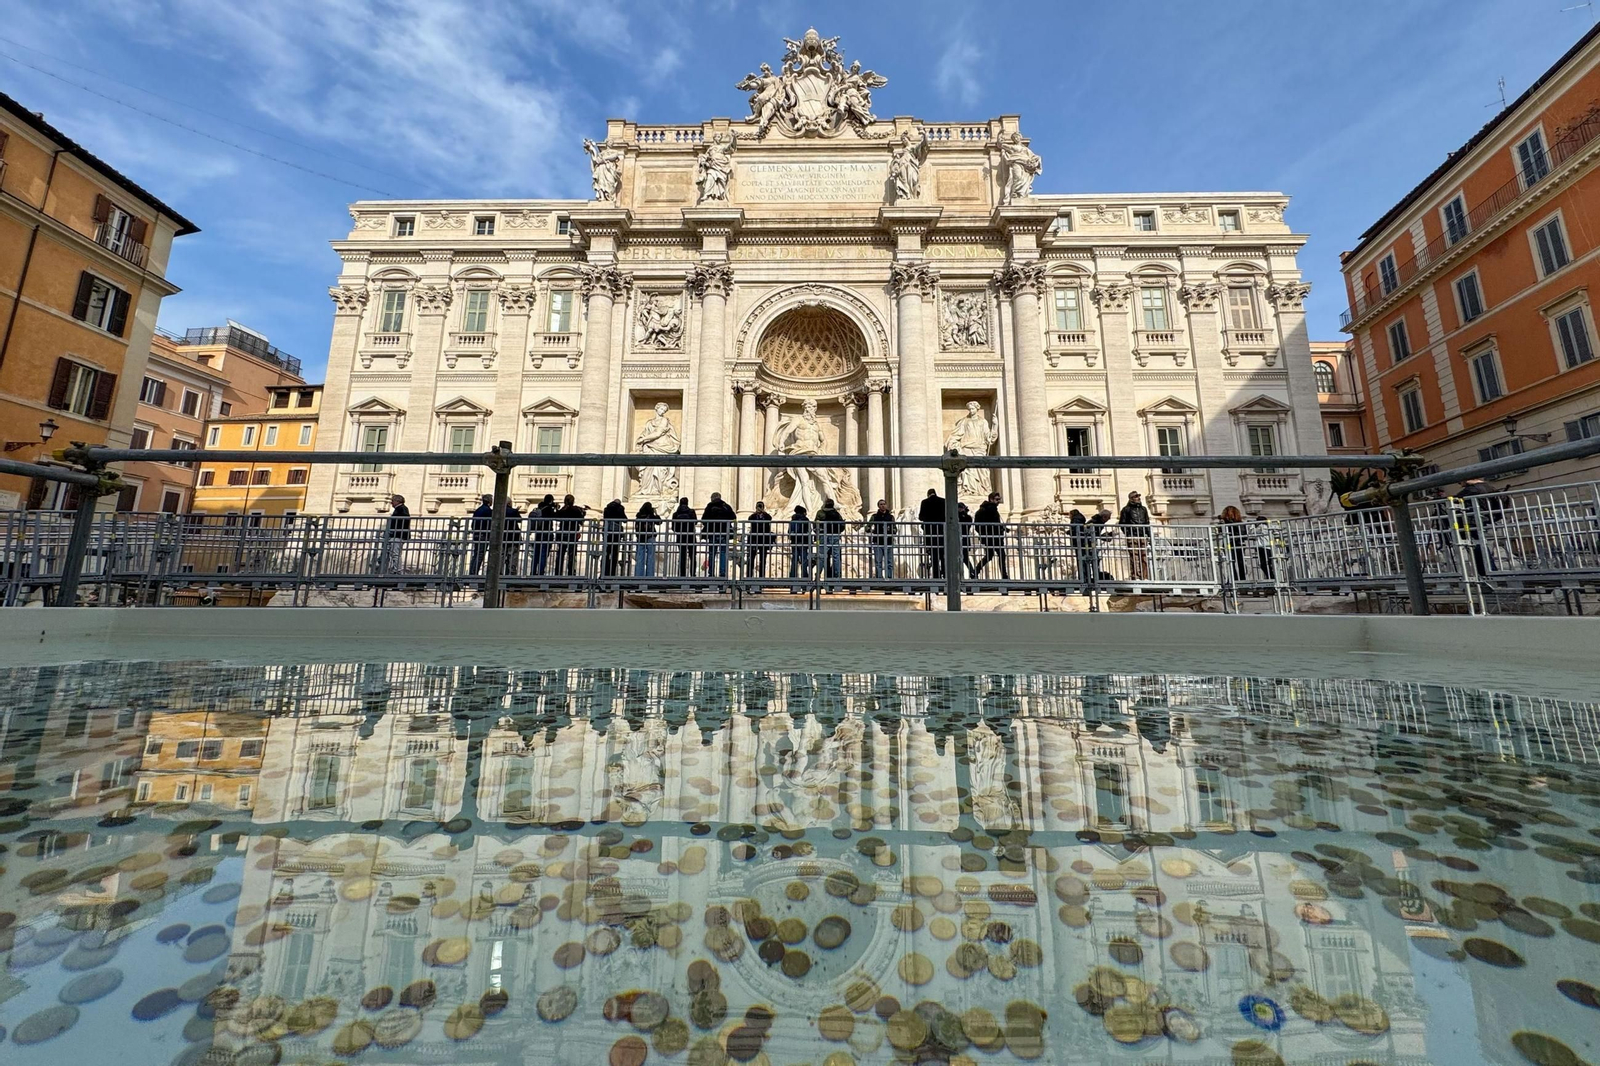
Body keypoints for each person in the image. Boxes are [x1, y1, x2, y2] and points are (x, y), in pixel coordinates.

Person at [1456, 476, 1502, 578]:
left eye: (1459, 481)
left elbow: (1456, 499)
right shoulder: (1489, 487)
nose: (1459, 484)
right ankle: (1490, 573)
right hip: (1489, 521)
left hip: (1476, 523)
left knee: (1479, 548)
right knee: (1486, 548)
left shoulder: (1472, 490)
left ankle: (1487, 574)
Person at [972, 492, 1010, 580]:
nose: (998, 502)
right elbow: (995, 523)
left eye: (999, 499)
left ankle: (975, 571)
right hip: (994, 537)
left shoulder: (983, 510)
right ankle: (1004, 576)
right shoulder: (991, 510)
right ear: (991, 499)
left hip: (988, 537)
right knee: (1001, 555)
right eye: (997, 499)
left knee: (990, 555)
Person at [1118, 490, 1151, 580]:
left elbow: (1147, 522)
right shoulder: (1126, 509)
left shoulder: (1143, 509)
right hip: (1132, 536)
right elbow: (1122, 523)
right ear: (1131, 499)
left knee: (1144, 557)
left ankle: (1145, 577)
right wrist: (1128, 533)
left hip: (1142, 536)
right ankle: (1135, 576)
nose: (1138, 498)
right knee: (1134, 557)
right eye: (1136, 497)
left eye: (1138, 496)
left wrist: (1149, 536)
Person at [702, 492, 737, 578]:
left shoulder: (710, 506)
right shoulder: (726, 506)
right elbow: (733, 517)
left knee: (711, 553)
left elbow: (704, 519)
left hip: (713, 533)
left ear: (712, 498)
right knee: (723, 553)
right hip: (724, 533)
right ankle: (722, 573)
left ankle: (711, 573)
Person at [552, 494, 587, 576]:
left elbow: (556, 517)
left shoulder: (562, 510)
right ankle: (571, 572)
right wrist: (583, 514)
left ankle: (558, 572)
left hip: (562, 533)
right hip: (572, 533)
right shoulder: (575, 510)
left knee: (560, 554)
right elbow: (581, 522)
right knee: (572, 554)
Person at [918, 489, 945, 579]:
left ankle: (936, 576)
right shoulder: (943, 501)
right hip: (942, 533)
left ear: (928, 494)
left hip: (930, 533)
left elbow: (921, 516)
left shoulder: (925, 502)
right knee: (943, 556)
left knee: (934, 556)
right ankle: (945, 575)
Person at [815, 498, 845, 580]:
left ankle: (818, 575)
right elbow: (842, 525)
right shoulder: (836, 514)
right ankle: (837, 576)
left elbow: (815, 525)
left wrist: (817, 533)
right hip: (835, 536)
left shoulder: (820, 513)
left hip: (823, 536)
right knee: (836, 556)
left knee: (821, 556)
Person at [866, 499, 896, 580]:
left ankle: (889, 577)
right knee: (878, 562)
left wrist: (891, 531)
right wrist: (871, 530)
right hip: (878, 542)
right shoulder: (874, 517)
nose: (883, 505)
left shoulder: (891, 517)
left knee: (889, 562)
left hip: (888, 542)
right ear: (878, 506)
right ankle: (879, 578)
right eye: (881, 504)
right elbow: (867, 527)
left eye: (884, 504)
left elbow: (895, 529)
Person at [1218, 505, 1250, 582]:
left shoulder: (1238, 523)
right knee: (1232, 562)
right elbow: (1221, 531)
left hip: (1237, 543)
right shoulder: (1224, 522)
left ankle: (1241, 580)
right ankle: (1234, 578)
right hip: (1231, 544)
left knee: (1239, 562)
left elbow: (1242, 534)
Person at [381, 494, 411, 573]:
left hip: (398, 535)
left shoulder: (402, 509)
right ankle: (395, 569)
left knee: (396, 553)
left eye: (393, 501)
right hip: (398, 534)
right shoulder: (401, 508)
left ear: (397, 501)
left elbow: (402, 521)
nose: (391, 503)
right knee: (394, 553)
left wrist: (393, 530)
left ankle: (397, 570)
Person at [529, 494, 556, 575]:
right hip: (546, 533)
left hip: (538, 533)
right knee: (543, 553)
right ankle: (541, 572)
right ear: (551, 501)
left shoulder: (539, 508)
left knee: (536, 552)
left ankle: (533, 571)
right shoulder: (548, 509)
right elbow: (555, 516)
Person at [468, 494, 494, 576]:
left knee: (476, 553)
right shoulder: (488, 511)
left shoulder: (478, 509)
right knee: (480, 554)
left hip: (477, 533)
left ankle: (472, 572)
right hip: (483, 534)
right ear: (489, 501)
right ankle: (474, 573)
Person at [671, 497, 697, 577]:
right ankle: (693, 574)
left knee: (682, 556)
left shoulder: (675, 514)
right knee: (692, 556)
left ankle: (682, 574)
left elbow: (673, 527)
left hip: (681, 537)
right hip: (691, 536)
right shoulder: (692, 512)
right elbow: (695, 522)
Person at [747, 501, 774, 578]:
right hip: (754, 540)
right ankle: (749, 576)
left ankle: (761, 576)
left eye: (760, 506)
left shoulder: (766, 516)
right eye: (758, 506)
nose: (759, 508)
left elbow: (770, 518)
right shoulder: (753, 516)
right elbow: (749, 519)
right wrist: (756, 513)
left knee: (763, 560)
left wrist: (763, 512)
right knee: (751, 559)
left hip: (763, 540)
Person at [602, 499, 628, 577]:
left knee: (606, 552)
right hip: (616, 532)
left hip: (607, 531)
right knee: (614, 553)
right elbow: (625, 520)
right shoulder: (620, 508)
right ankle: (612, 573)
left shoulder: (606, 508)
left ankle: (604, 572)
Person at [634, 502, 660, 577]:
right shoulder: (650, 515)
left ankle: (638, 576)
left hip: (640, 537)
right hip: (650, 537)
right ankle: (649, 576)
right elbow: (659, 522)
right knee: (650, 557)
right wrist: (656, 513)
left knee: (640, 557)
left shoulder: (638, 515)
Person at [788, 505, 813, 583]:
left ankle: (792, 576)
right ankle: (804, 577)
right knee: (804, 560)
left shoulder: (792, 520)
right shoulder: (805, 520)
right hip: (803, 542)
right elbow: (809, 530)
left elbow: (789, 532)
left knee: (794, 559)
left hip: (795, 541)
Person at [1069, 508, 1092, 586]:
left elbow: (1075, 530)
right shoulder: (1081, 519)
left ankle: (1083, 578)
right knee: (1085, 561)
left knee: (1081, 561)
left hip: (1079, 543)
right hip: (1083, 542)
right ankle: (1086, 578)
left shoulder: (1075, 520)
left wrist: (1069, 532)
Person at [501, 498, 523, 575]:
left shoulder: (499, 510)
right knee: (513, 555)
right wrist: (516, 510)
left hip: (502, 536)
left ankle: (499, 571)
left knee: (502, 554)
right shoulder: (513, 511)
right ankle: (511, 572)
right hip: (513, 537)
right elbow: (519, 520)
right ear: (509, 503)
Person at [957, 501, 975, 578]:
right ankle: (972, 573)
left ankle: (972, 573)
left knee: (964, 558)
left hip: (960, 540)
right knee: (965, 558)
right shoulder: (967, 517)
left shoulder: (965, 517)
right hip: (963, 540)